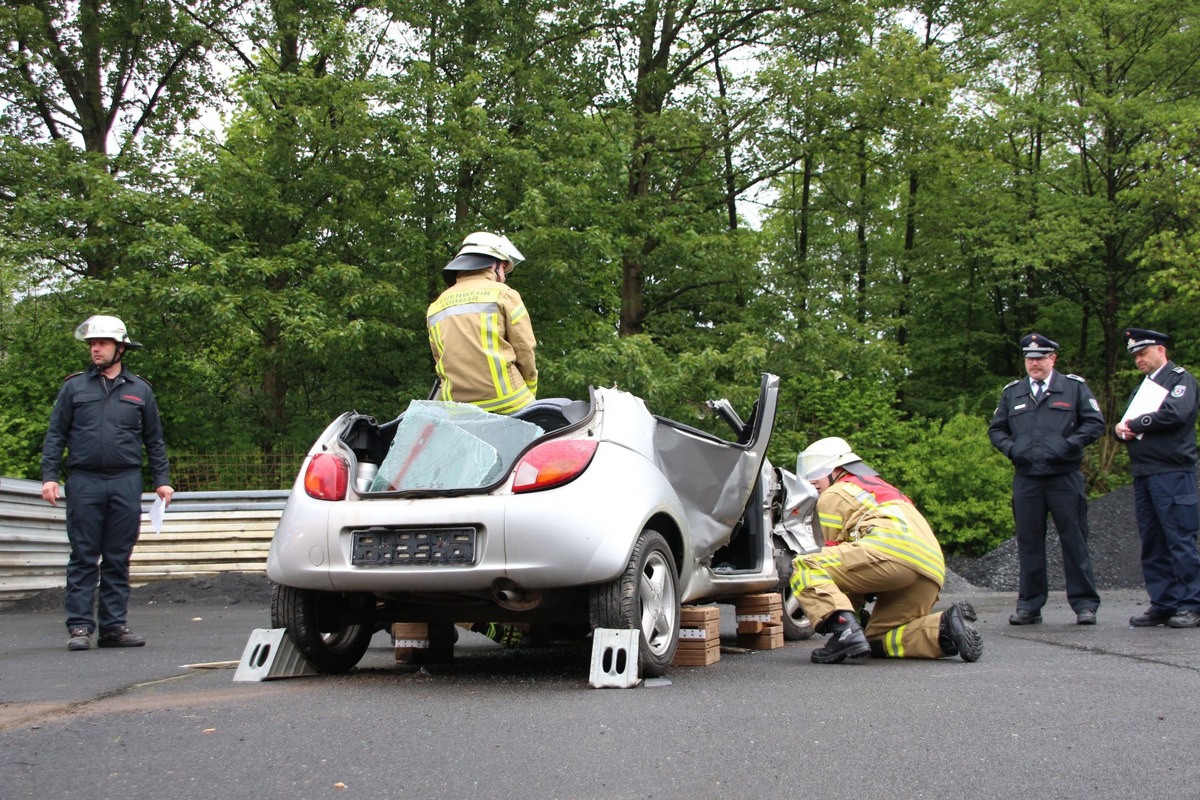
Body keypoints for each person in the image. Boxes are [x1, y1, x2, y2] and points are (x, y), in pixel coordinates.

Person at [41, 315, 173, 651]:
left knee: (117, 557)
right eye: (91, 344)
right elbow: (56, 434)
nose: (95, 349)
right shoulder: (74, 387)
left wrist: (162, 481)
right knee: (84, 555)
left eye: (101, 343)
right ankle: (81, 627)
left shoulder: (140, 390)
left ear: (120, 348)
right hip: (84, 481)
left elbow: (154, 440)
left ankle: (114, 627)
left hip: (125, 481)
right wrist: (50, 477)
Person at [789, 437, 983, 664]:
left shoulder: (835, 494)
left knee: (806, 565)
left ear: (838, 469)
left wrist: (847, 624)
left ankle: (844, 632)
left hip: (891, 553)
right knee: (877, 638)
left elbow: (838, 565)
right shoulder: (883, 490)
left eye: (817, 473)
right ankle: (943, 629)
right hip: (930, 568)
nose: (812, 481)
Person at [988, 333, 1105, 626]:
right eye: (1029, 358)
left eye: (1040, 358)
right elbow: (997, 430)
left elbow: (1094, 424)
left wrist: (1066, 445)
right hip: (1027, 478)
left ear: (1052, 359)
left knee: (1074, 540)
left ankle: (1084, 604)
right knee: (1029, 543)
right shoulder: (1013, 392)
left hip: (1064, 477)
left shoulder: (1073, 388)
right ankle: (1029, 605)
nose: (1034, 364)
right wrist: (1013, 450)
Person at [1113, 328, 1200, 628]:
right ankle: (1163, 602)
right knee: (1152, 541)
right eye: (1135, 356)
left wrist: (1135, 423)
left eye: (1143, 353)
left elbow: (1175, 414)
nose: (1139, 360)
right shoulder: (1143, 387)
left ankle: (1192, 604)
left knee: (1180, 538)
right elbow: (1129, 422)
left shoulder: (1179, 379)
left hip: (1173, 472)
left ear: (1160, 350)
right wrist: (1120, 430)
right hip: (1144, 472)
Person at [426, 231, 538, 415]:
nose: (504, 276)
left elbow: (441, 362)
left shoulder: (436, 306)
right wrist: (530, 392)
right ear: (494, 264)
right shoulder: (504, 294)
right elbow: (524, 350)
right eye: (503, 268)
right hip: (509, 403)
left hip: (460, 412)